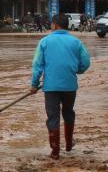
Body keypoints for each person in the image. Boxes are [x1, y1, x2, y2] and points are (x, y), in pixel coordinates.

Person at [30, 13, 91, 160]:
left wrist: (34, 84)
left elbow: (37, 65)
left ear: (55, 25)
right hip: (70, 85)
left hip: (50, 86)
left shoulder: (44, 41)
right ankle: (69, 144)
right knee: (68, 112)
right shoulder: (76, 42)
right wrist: (78, 70)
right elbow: (86, 62)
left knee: (53, 117)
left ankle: (55, 151)